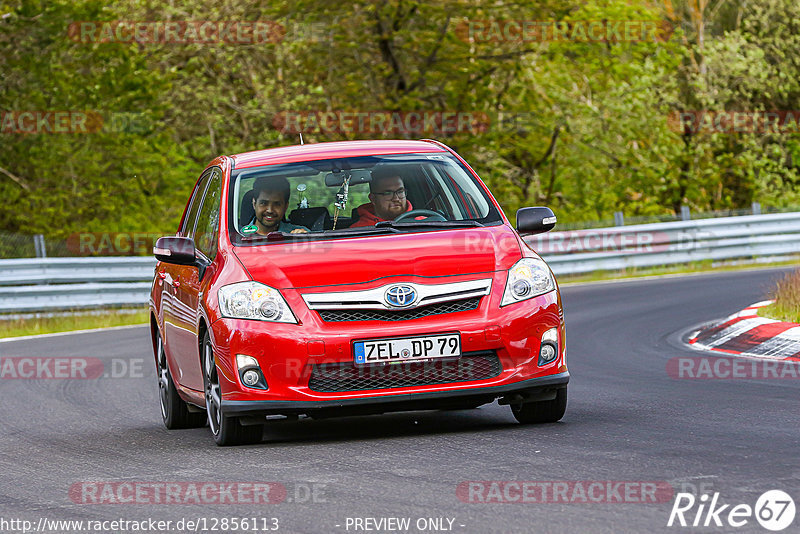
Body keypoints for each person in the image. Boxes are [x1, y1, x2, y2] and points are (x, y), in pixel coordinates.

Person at [350, 168, 416, 227]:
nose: (396, 199)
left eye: (400, 191)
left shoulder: (423, 222)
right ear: (373, 199)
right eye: (388, 193)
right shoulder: (358, 231)